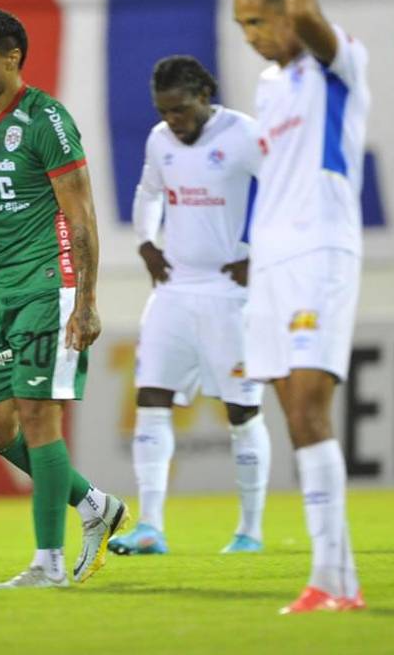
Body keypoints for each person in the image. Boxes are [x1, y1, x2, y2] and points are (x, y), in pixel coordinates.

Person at [0, 8, 128, 589]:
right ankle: (93, 503)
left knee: (40, 418)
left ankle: (47, 563)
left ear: (13, 58)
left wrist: (87, 300)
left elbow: (82, 215)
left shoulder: (48, 120)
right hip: (1, 292)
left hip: (51, 285)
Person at [231, 0, 368, 614]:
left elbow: (313, 20)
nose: (251, 34)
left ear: (287, 11)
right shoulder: (267, 85)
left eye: (259, 20)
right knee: (295, 418)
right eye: (241, 24)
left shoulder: (339, 63)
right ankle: (340, 581)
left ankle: (328, 576)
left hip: (321, 251)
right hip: (273, 261)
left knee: (312, 408)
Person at [107, 55, 270, 557]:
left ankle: (249, 531)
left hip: (229, 297)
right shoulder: (161, 140)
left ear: (204, 94)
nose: (172, 121)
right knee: (151, 400)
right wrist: (145, 243)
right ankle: (151, 527)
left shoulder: (245, 135)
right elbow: (148, 191)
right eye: (164, 111)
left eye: (180, 110)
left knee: (242, 411)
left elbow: (288, 194)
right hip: (174, 291)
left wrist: (259, 258)